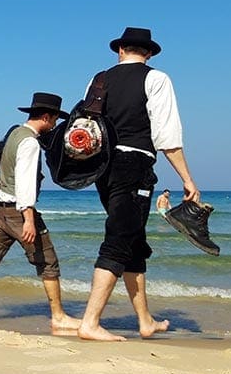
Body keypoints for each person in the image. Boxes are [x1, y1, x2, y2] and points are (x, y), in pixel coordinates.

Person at [77, 27, 202, 341]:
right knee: (120, 238)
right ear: (149, 54)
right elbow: (167, 136)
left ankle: (145, 321)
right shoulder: (156, 79)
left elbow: (87, 124)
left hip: (101, 168)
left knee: (133, 240)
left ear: (120, 50)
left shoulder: (99, 78)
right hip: (134, 165)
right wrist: (187, 179)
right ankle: (90, 323)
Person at [0, 93, 82, 335]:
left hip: (3, 209)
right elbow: (25, 183)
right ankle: (58, 316)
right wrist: (29, 219)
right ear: (45, 116)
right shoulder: (29, 142)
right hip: (20, 212)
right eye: (53, 120)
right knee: (48, 261)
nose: (53, 126)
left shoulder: (13, 136)